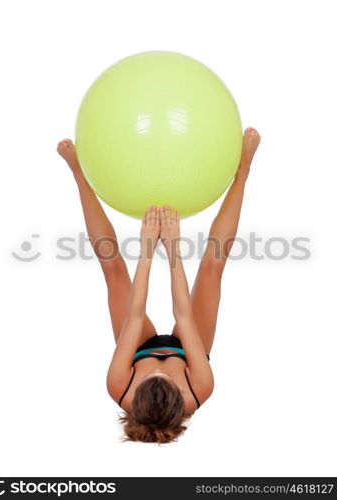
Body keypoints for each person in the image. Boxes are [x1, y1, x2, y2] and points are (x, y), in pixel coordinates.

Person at [57, 127, 261, 443]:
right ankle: (244, 170)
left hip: (138, 346)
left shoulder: (119, 386)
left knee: (113, 272)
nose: (161, 371)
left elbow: (135, 315)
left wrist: (147, 249)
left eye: (153, 376)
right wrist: (174, 248)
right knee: (212, 267)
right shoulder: (200, 387)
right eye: (167, 380)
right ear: (181, 396)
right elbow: (183, 316)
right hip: (188, 349)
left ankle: (79, 174)